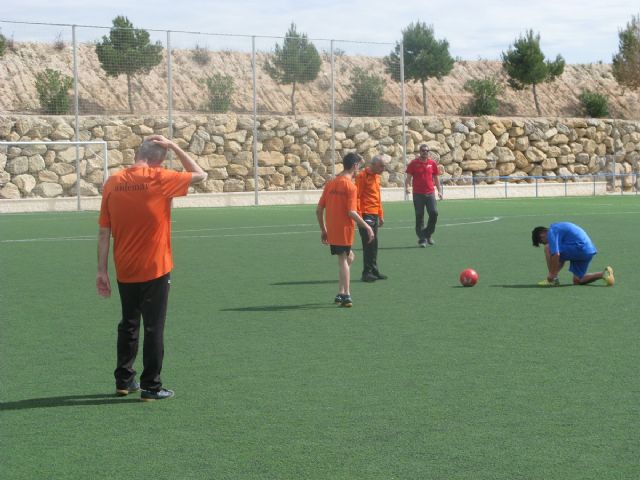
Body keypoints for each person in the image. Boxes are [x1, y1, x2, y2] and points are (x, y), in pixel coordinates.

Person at [96, 135, 207, 401]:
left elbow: (103, 231)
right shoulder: (160, 178)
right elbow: (200, 175)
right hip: (156, 268)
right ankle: (151, 387)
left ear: (137, 154)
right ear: (159, 162)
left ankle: (124, 381)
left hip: (124, 267)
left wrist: (101, 271)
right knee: (154, 327)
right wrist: (176, 146)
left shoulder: (112, 182)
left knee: (129, 324)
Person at [316, 152, 374, 307]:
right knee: (343, 259)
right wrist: (367, 226)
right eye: (359, 166)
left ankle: (340, 292)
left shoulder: (330, 184)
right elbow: (351, 212)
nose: (359, 170)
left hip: (333, 229)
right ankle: (346, 294)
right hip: (344, 229)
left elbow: (319, 209)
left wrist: (324, 229)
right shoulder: (351, 186)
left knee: (349, 257)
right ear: (354, 166)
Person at [531, 223, 614, 287]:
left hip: (579, 248)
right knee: (578, 280)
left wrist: (552, 274)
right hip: (588, 250)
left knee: (548, 248)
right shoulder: (557, 229)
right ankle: (604, 274)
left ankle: (553, 280)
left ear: (542, 234)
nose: (545, 243)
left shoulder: (552, 231)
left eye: (542, 242)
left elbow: (556, 254)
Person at [355, 155, 387, 282]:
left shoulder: (377, 177)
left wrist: (381, 215)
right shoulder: (362, 176)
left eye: (384, 166)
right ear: (373, 165)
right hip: (365, 214)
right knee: (368, 243)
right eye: (381, 166)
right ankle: (366, 273)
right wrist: (358, 215)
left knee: (374, 244)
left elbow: (378, 198)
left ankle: (374, 270)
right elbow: (357, 196)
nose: (383, 169)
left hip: (374, 213)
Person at [405, 144, 443, 247]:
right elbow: (408, 178)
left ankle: (428, 234)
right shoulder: (414, 163)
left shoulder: (432, 163)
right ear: (420, 152)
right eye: (422, 151)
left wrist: (439, 191)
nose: (424, 152)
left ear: (428, 152)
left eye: (426, 151)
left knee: (434, 213)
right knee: (419, 216)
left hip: (430, 193)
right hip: (418, 194)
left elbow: (436, 178)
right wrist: (407, 187)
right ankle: (422, 239)